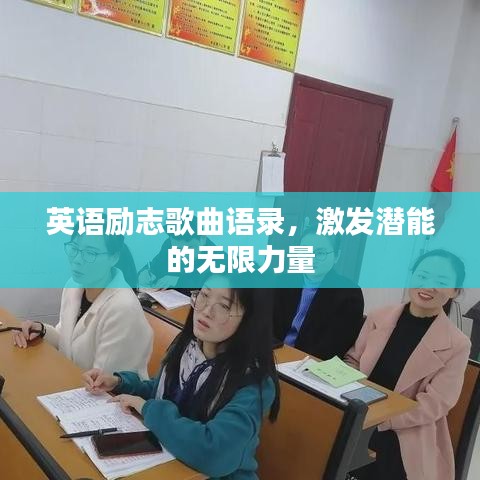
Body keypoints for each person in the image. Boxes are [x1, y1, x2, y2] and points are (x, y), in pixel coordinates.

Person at [83, 279, 280, 479]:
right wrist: (121, 383)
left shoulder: (253, 383)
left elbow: (214, 454)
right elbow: (161, 391)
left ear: (249, 319)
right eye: (204, 295)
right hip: (169, 465)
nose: (206, 311)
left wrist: (148, 408)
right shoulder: (188, 347)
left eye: (224, 306)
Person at [346, 249, 471, 480]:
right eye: (422, 275)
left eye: (441, 281)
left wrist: (380, 419)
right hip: (357, 414)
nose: (429, 286)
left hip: (403, 431)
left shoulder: (458, 344)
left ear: (455, 291)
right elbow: (353, 360)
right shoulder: (379, 316)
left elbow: (435, 404)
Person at [13, 229, 152, 378]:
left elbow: (102, 380)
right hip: (73, 381)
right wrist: (41, 330)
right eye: (74, 249)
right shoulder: (74, 285)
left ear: (113, 258)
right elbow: (65, 341)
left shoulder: (123, 308)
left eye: (90, 253)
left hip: (103, 390)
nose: (77, 259)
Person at [273, 229, 364, 359]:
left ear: (336, 256)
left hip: (308, 363)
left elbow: (332, 347)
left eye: (320, 253)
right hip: (273, 354)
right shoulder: (284, 280)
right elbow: (266, 324)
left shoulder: (349, 294)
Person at [138, 216, 214, 294]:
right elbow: (156, 266)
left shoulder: (217, 258)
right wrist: (147, 273)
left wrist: (178, 281)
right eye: (178, 249)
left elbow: (205, 288)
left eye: (190, 248)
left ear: (203, 238)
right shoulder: (169, 245)